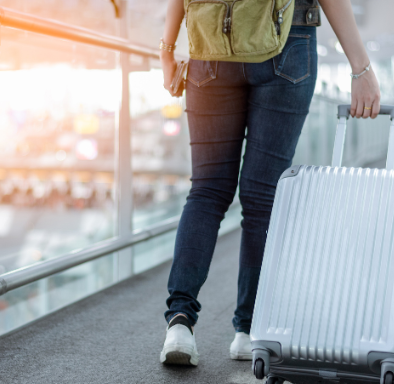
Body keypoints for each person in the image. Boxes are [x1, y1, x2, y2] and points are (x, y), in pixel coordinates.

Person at [158, 0, 381, 366]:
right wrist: (362, 67)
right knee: (262, 197)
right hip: (286, 41)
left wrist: (167, 50)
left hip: (211, 43)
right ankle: (249, 330)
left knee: (207, 190)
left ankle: (180, 323)